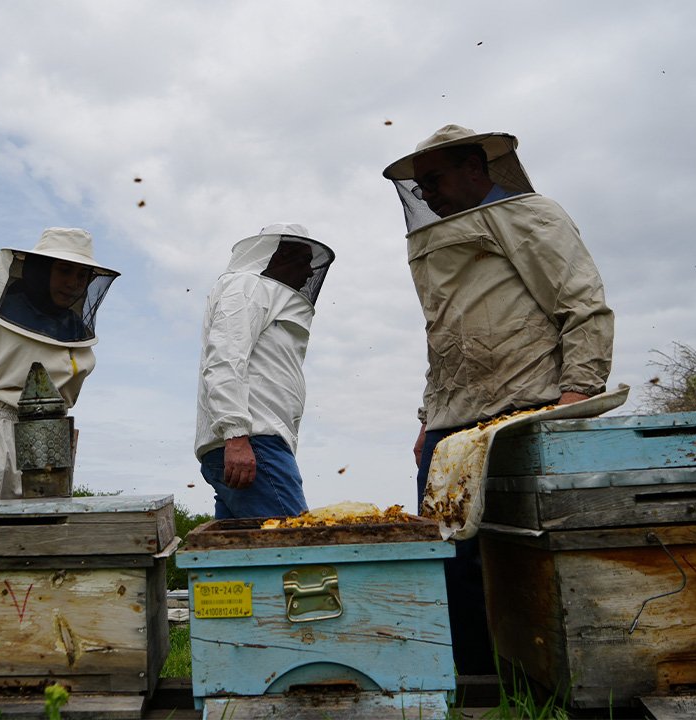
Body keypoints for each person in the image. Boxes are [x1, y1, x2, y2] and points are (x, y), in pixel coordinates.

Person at [382, 125, 614, 674]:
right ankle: (469, 683)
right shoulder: (450, 240)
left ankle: (534, 680)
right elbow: (448, 338)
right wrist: (426, 421)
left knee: (520, 555)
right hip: (451, 423)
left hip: (524, 410)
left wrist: (575, 395)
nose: (427, 193)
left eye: (434, 179)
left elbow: (582, 305)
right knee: (449, 557)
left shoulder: (533, 215)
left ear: (474, 168)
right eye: (419, 185)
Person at [0, 227, 119, 502]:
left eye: (82, 275)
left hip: (46, 445)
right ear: (41, 271)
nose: (73, 283)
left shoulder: (77, 340)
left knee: (35, 540)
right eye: (64, 271)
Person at [194, 223, 336, 519]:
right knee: (293, 549)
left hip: (251, 441)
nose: (310, 272)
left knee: (240, 557)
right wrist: (235, 435)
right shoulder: (247, 286)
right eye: (304, 261)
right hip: (252, 441)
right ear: (280, 254)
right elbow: (224, 358)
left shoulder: (262, 293)